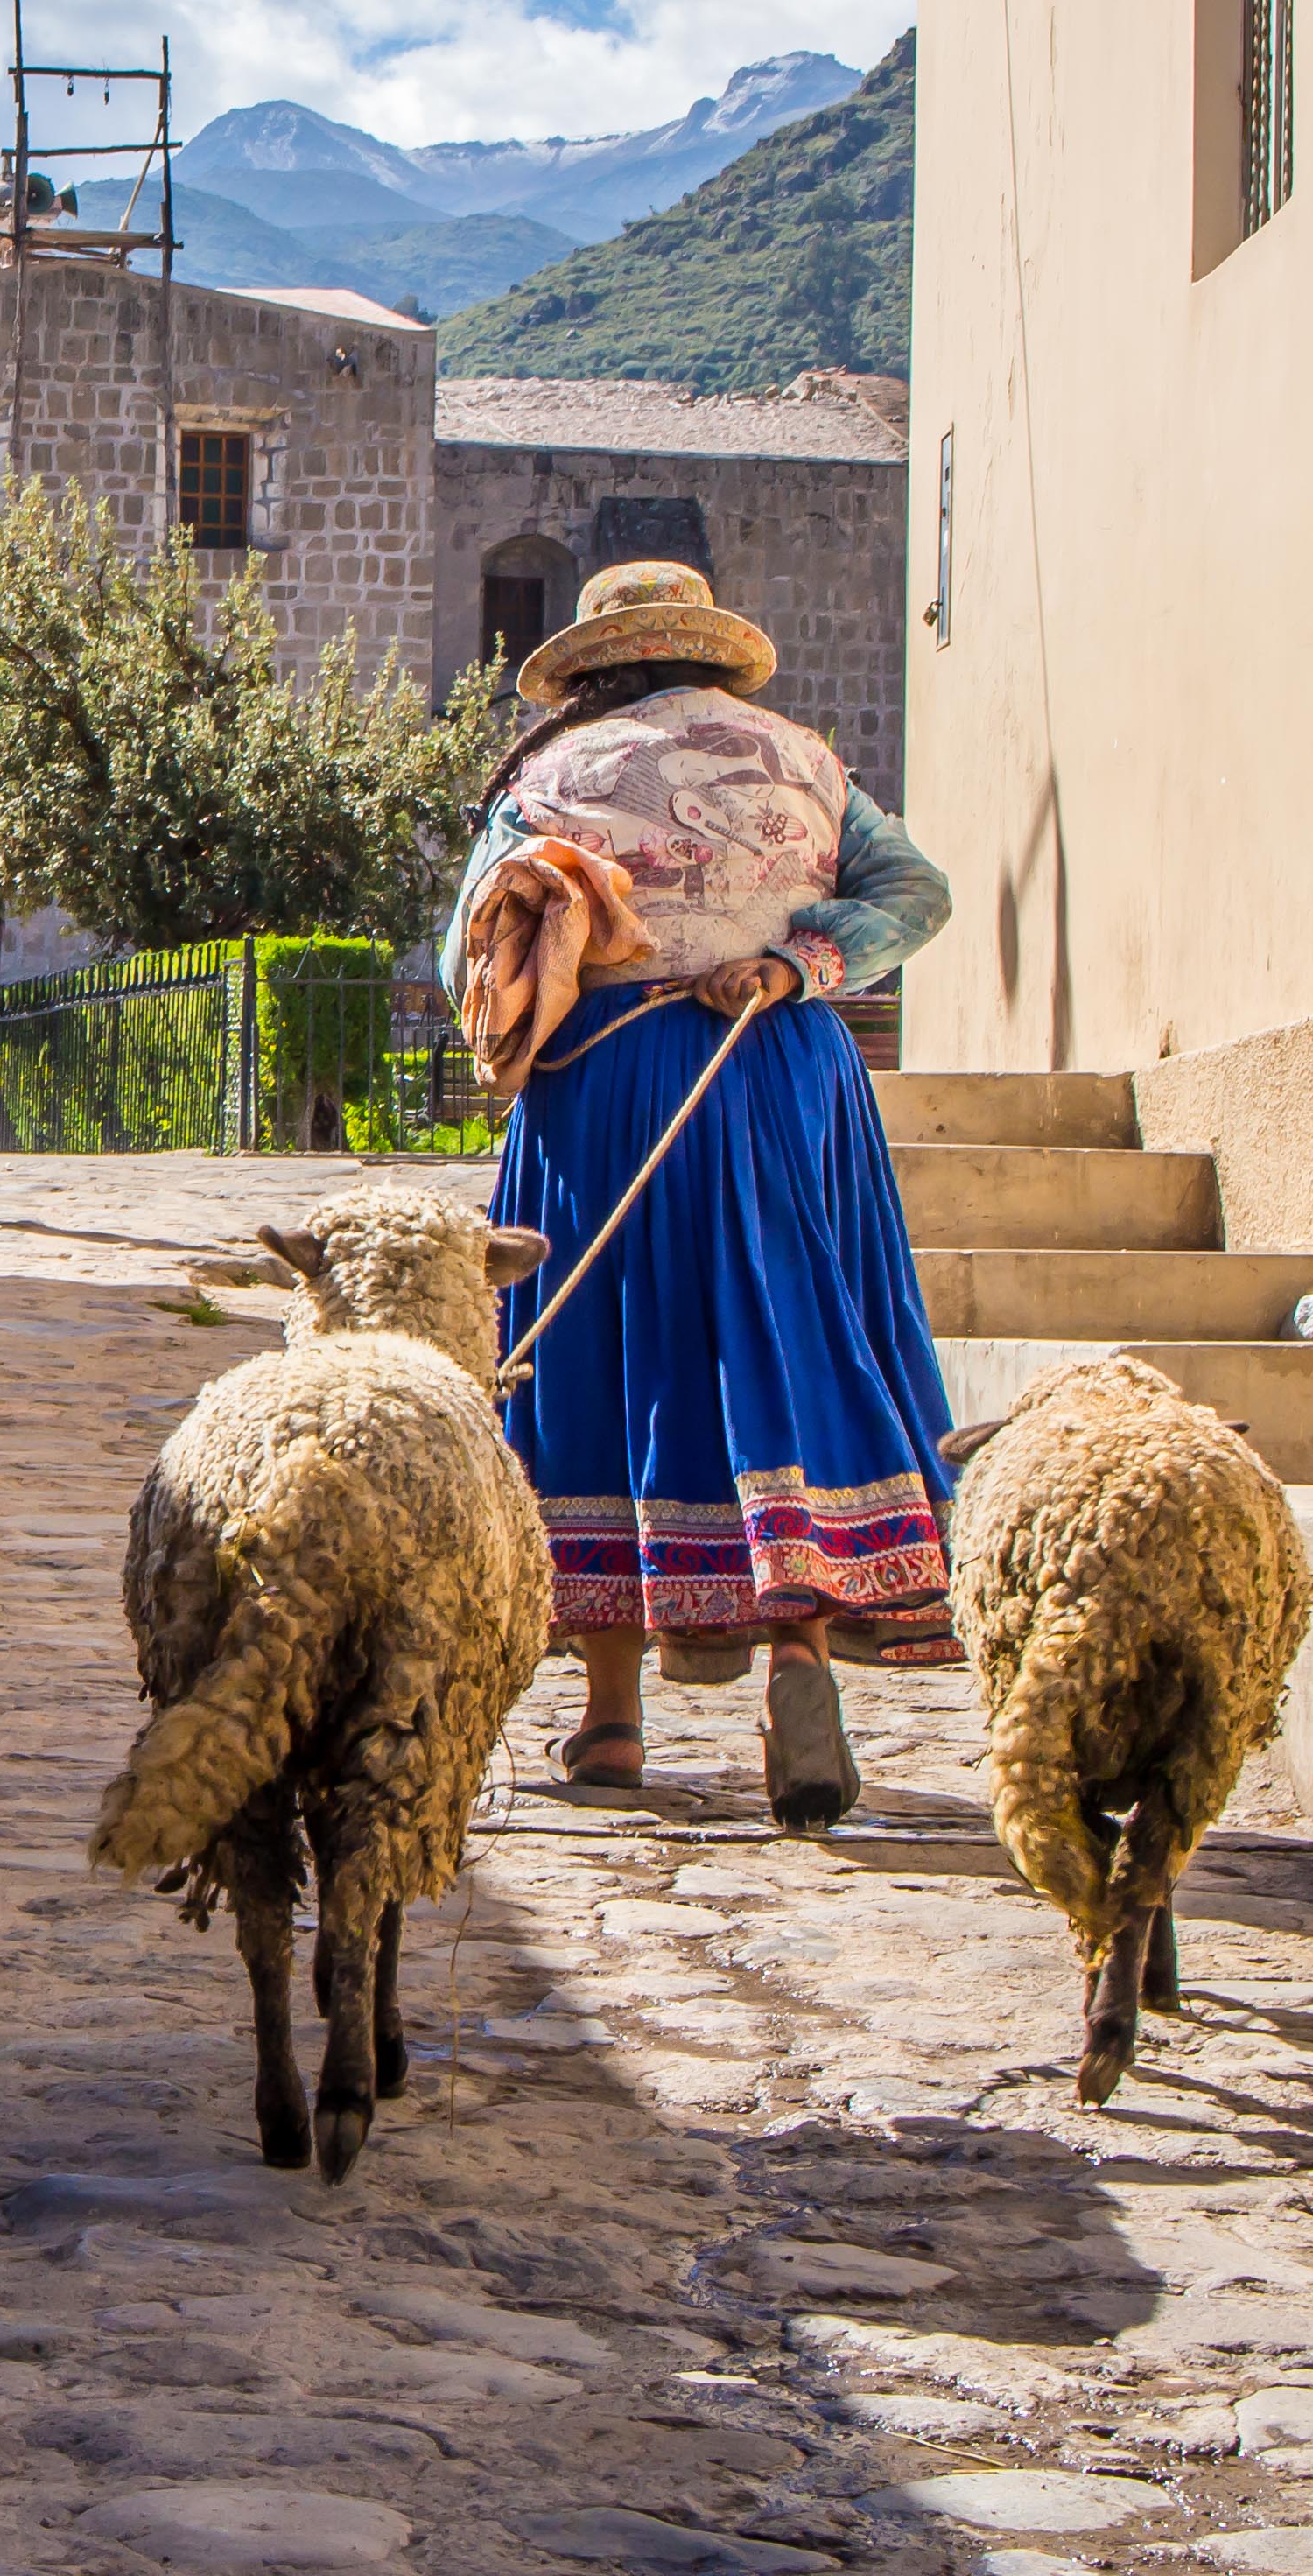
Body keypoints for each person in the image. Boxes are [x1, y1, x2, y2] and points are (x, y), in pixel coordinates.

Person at [439, 559, 958, 1830]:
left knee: (609, 1358)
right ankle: (798, 1662)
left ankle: (611, 1718)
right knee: (782, 1338)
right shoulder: (805, 761)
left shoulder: (548, 777)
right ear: (711, 651)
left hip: (603, 1083)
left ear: (596, 660)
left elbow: (462, 943)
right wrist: (797, 962)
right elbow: (917, 895)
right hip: (775, 1069)